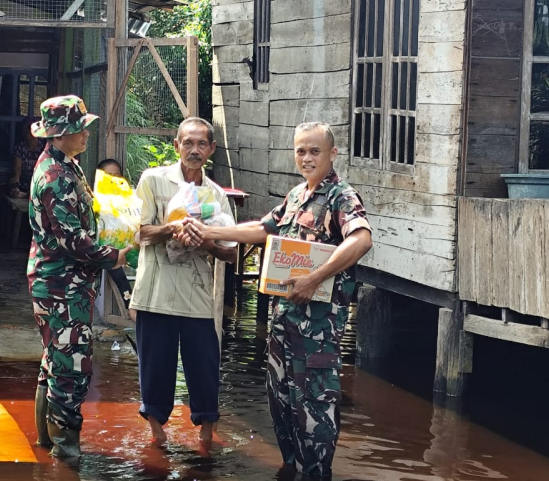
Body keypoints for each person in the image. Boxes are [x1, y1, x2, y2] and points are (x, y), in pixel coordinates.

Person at [179, 122, 373, 480]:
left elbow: (361, 239)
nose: (306, 158)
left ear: (332, 154)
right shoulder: (297, 196)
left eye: (315, 151)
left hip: (316, 335)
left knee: (315, 415)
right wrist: (208, 231)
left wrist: (315, 278)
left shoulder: (341, 196)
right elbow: (262, 229)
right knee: (282, 407)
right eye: (301, 151)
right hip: (284, 328)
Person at [27, 95, 131, 457]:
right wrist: (113, 256)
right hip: (61, 285)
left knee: (55, 360)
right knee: (71, 366)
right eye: (79, 129)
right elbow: (72, 240)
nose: (86, 134)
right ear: (58, 134)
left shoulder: (67, 165)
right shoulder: (56, 177)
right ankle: (65, 454)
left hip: (63, 281)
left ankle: (47, 443)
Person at [129, 117, 237, 448]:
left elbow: (230, 253)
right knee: (155, 368)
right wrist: (172, 228)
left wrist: (205, 240)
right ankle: (157, 436)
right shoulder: (153, 180)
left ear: (212, 149)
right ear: (176, 146)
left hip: (197, 294)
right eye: (188, 143)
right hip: (156, 291)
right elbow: (136, 232)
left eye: (201, 144)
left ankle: (206, 436)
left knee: (205, 367)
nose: (194, 150)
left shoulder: (216, 195)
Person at [96, 158, 137, 321]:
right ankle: (130, 305)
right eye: (109, 176)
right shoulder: (93, 201)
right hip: (106, 252)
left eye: (117, 176)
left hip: (131, 250)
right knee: (114, 262)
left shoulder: (132, 201)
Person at [10, 116, 43, 198]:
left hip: (39, 185)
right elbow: (17, 170)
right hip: (23, 185)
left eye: (28, 130)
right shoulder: (20, 148)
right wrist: (16, 186)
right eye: (24, 130)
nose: (26, 133)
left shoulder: (43, 147)